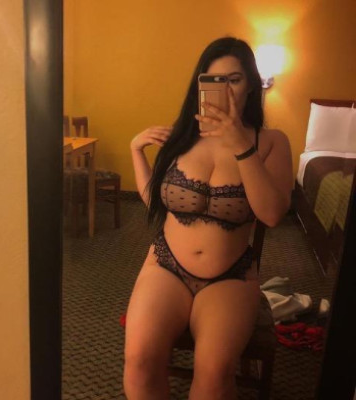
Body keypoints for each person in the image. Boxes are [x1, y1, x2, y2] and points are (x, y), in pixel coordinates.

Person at [124, 37, 293, 400]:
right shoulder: (182, 137)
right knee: (139, 364)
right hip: (165, 265)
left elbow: (272, 214)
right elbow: (157, 200)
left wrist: (241, 145)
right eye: (215, 80)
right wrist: (136, 150)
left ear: (251, 85)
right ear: (200, 85)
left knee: (214, 378)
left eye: (234, 79)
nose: (225, 90)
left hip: (229, 275)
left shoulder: (271, 141)